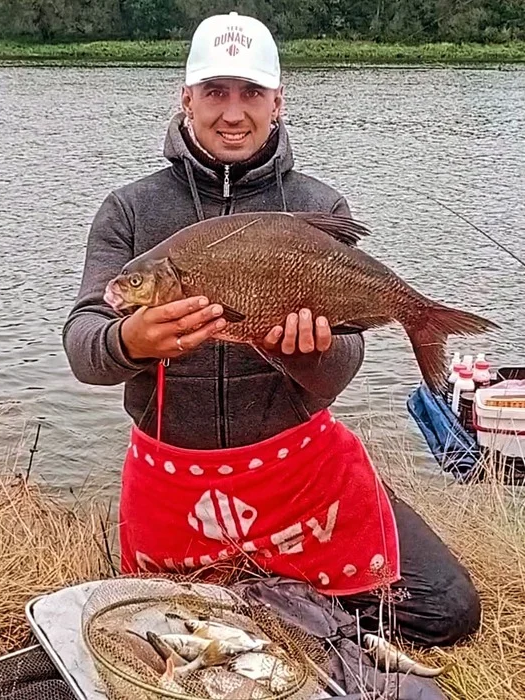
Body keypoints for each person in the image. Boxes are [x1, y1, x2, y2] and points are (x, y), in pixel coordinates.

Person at [62, 11, 480, 647]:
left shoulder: (318, 206)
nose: (233, 113)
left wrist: (308, 356)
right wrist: (130, 343)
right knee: (143, 636)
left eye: (251, 93)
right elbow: (83, 346)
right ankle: (281, 605)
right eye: (216, 92)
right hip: (178, 481)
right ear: (187, 99)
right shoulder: (131, 209)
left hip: (300, 473)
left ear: (277, 102)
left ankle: (265, 601)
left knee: (447, 609)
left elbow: (341, 367)